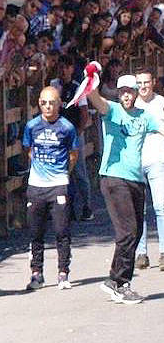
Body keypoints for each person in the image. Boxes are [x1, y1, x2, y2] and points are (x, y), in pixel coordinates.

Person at [85, 66, 164, 304]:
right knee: (127, 231)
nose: (127, 96)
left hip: (135, 179)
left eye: (130, 92)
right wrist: (91, 81)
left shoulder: (144, 116)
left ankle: (115, 281)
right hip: (114, 177)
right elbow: (95, 99)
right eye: (123, 92)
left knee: (136, 231)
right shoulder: (113, 111)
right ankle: (121, 282)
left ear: (136, 93)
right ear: (118, 94)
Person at [22, 87, 79, 291]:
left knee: (62, 230)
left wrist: (63, 174)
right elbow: (29, 150)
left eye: (52, 102)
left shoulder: (67, 127)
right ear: (39, 103)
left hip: (58, 184)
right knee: (36, 232)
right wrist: (39, 169)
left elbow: (73, 154)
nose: (48, 106)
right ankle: (36, 273)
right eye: (44, 102)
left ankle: (63, 272)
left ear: (59, 104)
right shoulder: (32, 126)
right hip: (36, 185)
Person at [50, 55, 95, 221]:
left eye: (66, 67)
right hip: (56, 134)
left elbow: (83, 113)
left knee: (79, 171)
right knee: (58, 170)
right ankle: (61, 207)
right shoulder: (53, 85)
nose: (63, 70)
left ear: (71, 69)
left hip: (73, 133)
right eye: (61, 67)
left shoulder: (77, 88)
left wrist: (78, 133)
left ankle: (87, 206)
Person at [134, 68, 164, 270]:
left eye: (146, 82)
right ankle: (141, 253)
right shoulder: (131, 104)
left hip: (157, 159)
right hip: (136, 163)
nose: (143, 87)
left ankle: (163, 252)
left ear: (153, 82)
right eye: (139, 83)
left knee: (161, 207)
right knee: (139, 210)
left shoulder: (161, 103)